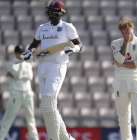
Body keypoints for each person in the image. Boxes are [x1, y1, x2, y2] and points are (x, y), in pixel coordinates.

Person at [21, 1, 82, 140]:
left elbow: (79, 45)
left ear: (60, 13)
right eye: (49, 11)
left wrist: (74, 49)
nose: (51, 14)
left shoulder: (67, 27)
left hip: (57, 66)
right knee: (47, 106)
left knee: (48, 102)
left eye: (53, 11)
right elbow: (34, 44)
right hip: (43, 67)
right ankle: (66, 138)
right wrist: (29, 52)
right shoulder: (42, 28)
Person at [111, 17, 137, 140]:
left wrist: (121, 65)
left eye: (128, 29)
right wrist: (126, 42)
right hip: (120, 83)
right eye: (123, 30)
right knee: (123, 117)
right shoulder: (115, 43)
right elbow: (120, 58)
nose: (126, 32)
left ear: (133, 28)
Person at [0, 45, 39, 140]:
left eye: (22, 52)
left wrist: (15, 75)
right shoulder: (10, 64)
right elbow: (19, 74)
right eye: (19, 52)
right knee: (8, 119)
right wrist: (18, 74)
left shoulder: (27, 64)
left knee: (31, 119)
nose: (21, 54)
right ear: (15, 53)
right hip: (16, 94)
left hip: (27, 94)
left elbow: (28, 76)